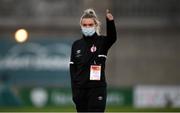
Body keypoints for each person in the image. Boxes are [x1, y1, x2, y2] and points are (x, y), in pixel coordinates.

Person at [69, 8, 117, 112]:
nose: (87, 27)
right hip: (80, 91)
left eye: (90, 25)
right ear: (81, 27)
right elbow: (73, 71)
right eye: (85, 25)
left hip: (97, 89)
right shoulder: (76, 45)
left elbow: (113, 37)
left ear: (95, 25)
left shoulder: (102, 42)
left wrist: (110, 22)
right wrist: (75, 92)